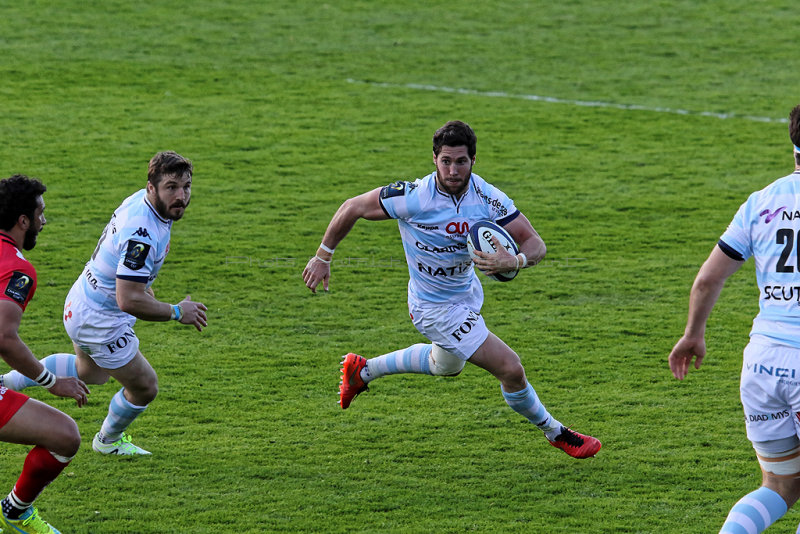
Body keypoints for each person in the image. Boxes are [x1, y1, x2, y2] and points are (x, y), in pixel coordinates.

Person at [303, 120, 601, 459]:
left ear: (474, 160)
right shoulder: (414, 197)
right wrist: (322, 256)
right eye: (446, 161)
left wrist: (514, 261)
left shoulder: (488, 197)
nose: (453, 169)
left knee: (446, 365)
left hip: (466, 294)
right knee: (511, 368)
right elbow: (352, 207)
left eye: (461, 161)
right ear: (434, 159)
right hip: (433, 307)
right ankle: (557, 432)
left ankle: (362, 370)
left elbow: (536, 244)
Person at [1, 151, 208, 456]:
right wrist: (177, 312)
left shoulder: (141, 201)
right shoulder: (143, 235)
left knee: (91, 374)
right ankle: (108, 441)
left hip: (84, 297)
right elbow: (128, 299)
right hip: (101, 319)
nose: (181, 196)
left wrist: (141, 285)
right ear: (151, 187)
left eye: (186, 187)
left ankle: (7, 381)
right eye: (172, 187)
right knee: (145, 386)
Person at [669, 104, 800, 533]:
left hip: (762, 363)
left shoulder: (762, 202)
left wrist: (693, 335)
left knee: (780, 483)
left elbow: (707, 280)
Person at [0, 174, 90, 534]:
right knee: (65, 436)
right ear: (24, 221)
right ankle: (17, 511)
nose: (44, 221)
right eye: (40, 213)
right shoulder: (17, 269)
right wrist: (50, 381)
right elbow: (4, 338)